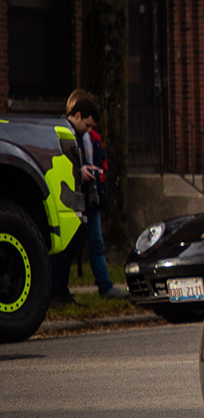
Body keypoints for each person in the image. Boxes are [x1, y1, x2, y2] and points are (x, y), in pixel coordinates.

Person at [51, 92, 127, 303]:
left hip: (88, 199)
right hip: (72, 198)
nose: (88, 129)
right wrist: (79, 170)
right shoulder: (64, 134)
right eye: (87, 124)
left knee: (94, 242)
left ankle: (93, 287)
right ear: (76, 115)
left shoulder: (86, 137)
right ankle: (58, 290)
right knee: (68, 247)